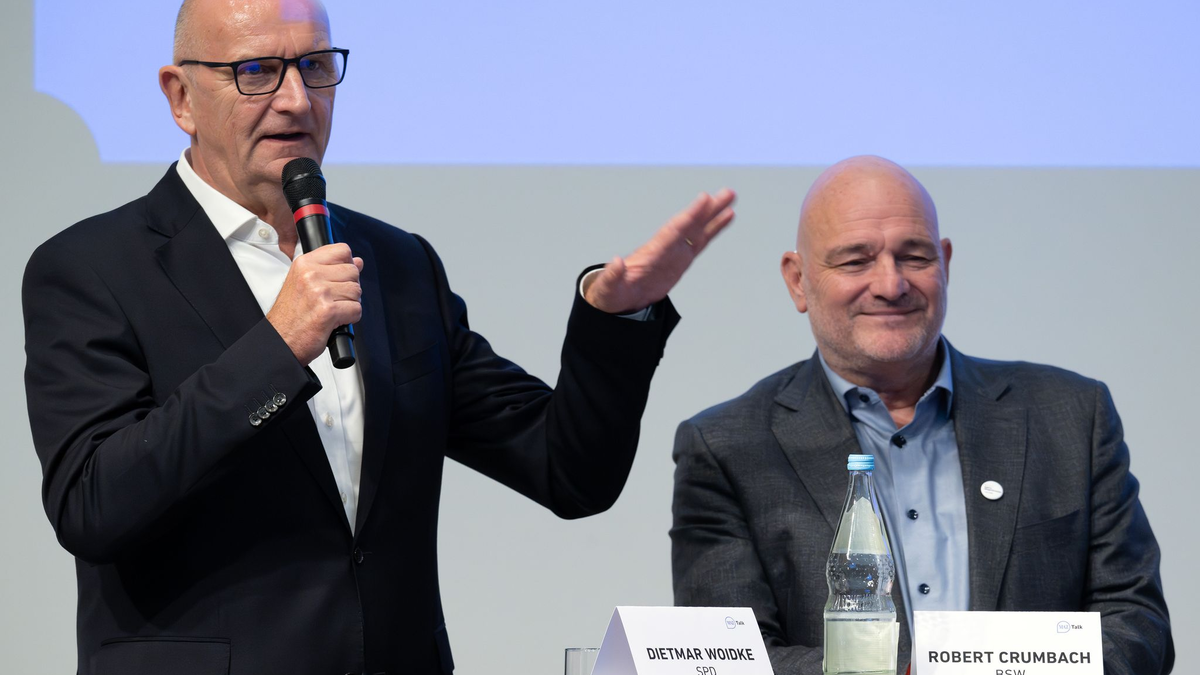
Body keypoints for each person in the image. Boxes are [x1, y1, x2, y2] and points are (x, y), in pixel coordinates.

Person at [21, 0, 735, 673]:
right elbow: (93, 504)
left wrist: (614, 319)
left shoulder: (395, 265)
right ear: (180, 97)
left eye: (316, 66)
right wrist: (276, 348)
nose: (298, 100)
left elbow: (569, 470)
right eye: (257, 71)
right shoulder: (93, 268)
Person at [669, 156, 1172, 675]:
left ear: (946, 263)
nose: (891, 284)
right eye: (855, 261)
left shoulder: (1070, 416)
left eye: (914, 256)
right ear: (798, 281)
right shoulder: (727, 447)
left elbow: (1136, 625)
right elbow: (730, 659)